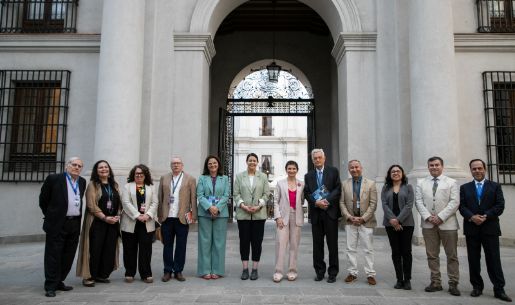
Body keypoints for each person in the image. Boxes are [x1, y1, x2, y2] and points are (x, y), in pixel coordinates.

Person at [459, 159, 512, 302]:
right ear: (471, 170)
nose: (477, 171)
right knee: (473, 260)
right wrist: (471, 217)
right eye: (474, 169)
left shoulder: (495, 186)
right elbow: (462, 207)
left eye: (479, 168)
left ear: (485, 169)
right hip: (472, 229)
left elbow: (500, 205)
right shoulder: (465, 188)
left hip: (490, 228)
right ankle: (477, 287)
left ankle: (499, 289)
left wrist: (486, 216)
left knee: (494, 260)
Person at [39, 157, 86, 297]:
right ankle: (50, 285)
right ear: (67, 166)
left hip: (74, 223)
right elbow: (43, 200)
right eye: (74, 165)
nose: (76, 167)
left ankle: (59, 281)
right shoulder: (54, 179)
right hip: (57, 223)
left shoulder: (82, 182)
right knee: (53, 255)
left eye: (79, 166)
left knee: (68, 254)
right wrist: (52, 215)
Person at [415, 156, 461, 296]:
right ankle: (435, 282)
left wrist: (440, 217)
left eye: (436, 165)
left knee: (451, 255)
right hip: (428, 224)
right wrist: (428, 217)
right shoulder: (421, 182)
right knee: (432, 255)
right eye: (431, 165)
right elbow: (418, 201)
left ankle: (453, 283)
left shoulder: (451, 182)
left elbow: (454, 202)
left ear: (442, 166)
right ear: (428, 167)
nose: (434, 167)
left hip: (448, 224)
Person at [77, 160, 121, 287]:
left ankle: (102, 274)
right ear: (96, 171)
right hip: (97, 223)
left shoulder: (114, 185)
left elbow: (119, 202)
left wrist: (117, 216)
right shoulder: (93, 185)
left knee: (108, 249)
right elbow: (91, 205)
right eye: (100, 167)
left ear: (109, 170)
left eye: (106, 167)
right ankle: (89, 276)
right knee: (94, 249)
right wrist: (104, 217)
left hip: (112, 223)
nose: (103, 169)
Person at [304, 148, 341, 283]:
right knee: (317, 246)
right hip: (316, 215)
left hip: (330, 213)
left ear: (324, 158)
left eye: (320, 157)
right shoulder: (308, 176)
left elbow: (338, 189)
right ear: (312, 160)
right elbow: (307, 193)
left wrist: (327, 200)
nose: (317, 160)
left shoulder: (333, 171)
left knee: (332, 245)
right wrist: (316, 202)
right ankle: (319, 271)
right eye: (315, 158)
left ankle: (333, 273)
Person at [158, 157, 197, 282]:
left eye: (178, 163)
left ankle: (178, 270)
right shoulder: (164, 178)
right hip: (167, 217)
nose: (176, 165)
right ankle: (167, 270)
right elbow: (160, 197)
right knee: (167, 245)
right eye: (173, 163)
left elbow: (193, 199)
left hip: (182, 218)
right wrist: (159, 215)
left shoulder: (190, 179)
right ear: (171, 165)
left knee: (181, 246)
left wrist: (194, 216)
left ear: (182, 165)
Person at [340, 160, 378, 285]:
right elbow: (341, 202)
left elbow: (373, 204)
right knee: (350, 249)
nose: (354, 169)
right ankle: (352, 273)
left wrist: (363, 218)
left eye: (356, 167)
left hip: (365, 222)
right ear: (349, 169)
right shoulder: (344, 184)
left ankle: (370, 274)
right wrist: (349, 217)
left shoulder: (371, 184)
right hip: (350, 222)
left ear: (361, 168)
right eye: (351, 168)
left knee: (368, 249)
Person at [234, 153, 270, 280]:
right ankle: (245, 269)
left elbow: (267, 194)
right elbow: (236, 194)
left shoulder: (263, 177)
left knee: (257, 242)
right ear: (246, 162)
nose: (252, 163)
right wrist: (243, 205)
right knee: (244, 242)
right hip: (243, 214)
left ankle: (254, 269)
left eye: (254, 161)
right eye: (250, 160)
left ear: (257, 162)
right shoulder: (239, 177)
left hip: (259, 215)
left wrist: (259, 205)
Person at [121, 164, 158, 283]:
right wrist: (137, 215)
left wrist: (148, 215)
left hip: (147, 222)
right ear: (133, 174)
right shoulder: (127, 187)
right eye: (137, 173)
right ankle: (129, 272)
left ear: (145, 175)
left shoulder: (151, 187)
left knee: (146, 249)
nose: (139, 175)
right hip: (131, 221)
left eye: (141, 174)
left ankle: (146, 273)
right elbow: (126, 203)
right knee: (129, 248)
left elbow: (155, 203)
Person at [196, 155, 230, 279]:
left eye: (214, 163)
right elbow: (199, 195)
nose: (212, 165)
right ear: (207, 166)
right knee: (204, 242)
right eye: (210, 163)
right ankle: (204, 270)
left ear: (218, 165)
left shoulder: (225, 178)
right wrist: (210, 207)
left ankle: (217, 270)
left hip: (221, 214)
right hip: (205, 213)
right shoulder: (202, 178)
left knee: (219, 243)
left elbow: (226, 195)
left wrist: (217, 208)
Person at [381, 164, 414, 290]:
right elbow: (384, 204)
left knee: (406, 252)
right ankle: (399, 279)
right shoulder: (385, 188)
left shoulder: (408, 187)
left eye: (398, 171)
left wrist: (398, 220)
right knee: (396, 252)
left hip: (407, 224)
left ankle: (407, 279)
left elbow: (409, 205)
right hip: (390, 224)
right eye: (393, 171)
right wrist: (393, 221)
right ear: (390, 174)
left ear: (402, 173)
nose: (395, 173)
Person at [272, 160, 305, 282]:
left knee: (294, 245)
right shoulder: (280, 184)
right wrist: (278, 217)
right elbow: (275, 201)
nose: (291, 171)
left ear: (297, 170)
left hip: (296, 216)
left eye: (294, 168)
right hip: (283, 217)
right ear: (286, 170)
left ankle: (292, 271)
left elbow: (301, 200)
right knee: (281, 244)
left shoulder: (301, 184)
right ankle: (278, 272)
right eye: (289, 168)